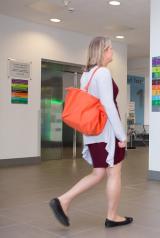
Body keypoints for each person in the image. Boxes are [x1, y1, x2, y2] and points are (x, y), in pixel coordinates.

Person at [49, 36, 133, 228]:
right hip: (107, 133)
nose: (112, 52)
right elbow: (108, 106)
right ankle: (112, 216)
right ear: (103, 51)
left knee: (98, 173)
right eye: (110, 49)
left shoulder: (87, 74)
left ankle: (63, 200)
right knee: (114, 173)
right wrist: (122, 135)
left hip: (93, 132)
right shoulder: (103, 73)